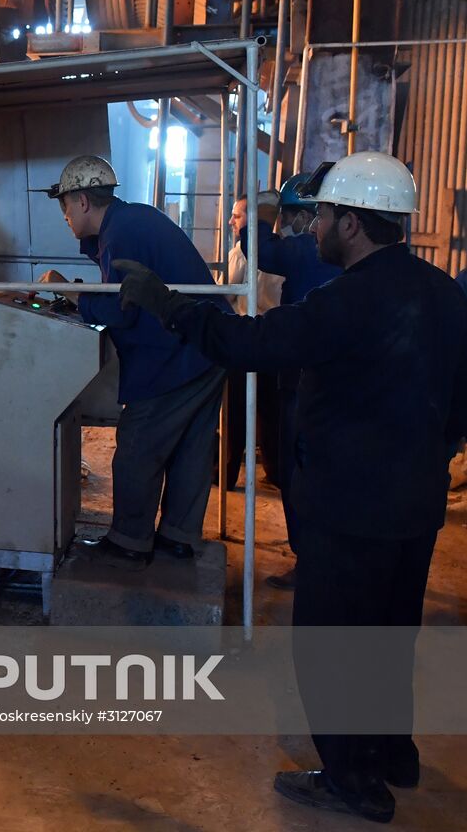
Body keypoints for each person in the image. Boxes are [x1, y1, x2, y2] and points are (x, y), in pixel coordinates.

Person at [113, 151, 467, 823]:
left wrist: (168, 306)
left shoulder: (345, 302)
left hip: (347, 508)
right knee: (391, 636)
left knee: (333, 646)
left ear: (355, 224)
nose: (313, 229)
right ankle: (394, 753)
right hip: (415, 508)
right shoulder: (444, 292)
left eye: (324, 216)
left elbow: (250, 345)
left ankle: (351, 782)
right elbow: (461, 405)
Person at [38, 154, 227, 565]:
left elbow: (120, 309)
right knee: (191, 447)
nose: (65, 216)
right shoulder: (129, 222)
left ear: (83, 202)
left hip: (178, 354)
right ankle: (179, 536)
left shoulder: (122, 232)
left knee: (139, 445)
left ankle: (130, 541)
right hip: (207, 346)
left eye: (66, 206)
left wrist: (64, 289)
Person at [241, 173, 344, 590]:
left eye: (291, 216)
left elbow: (259, 249)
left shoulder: (306, 250)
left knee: (296, 468)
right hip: (342, 380)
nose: (289, 225)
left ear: (308, 215)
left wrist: (262, 213)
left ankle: (310, 561)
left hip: (301, 378)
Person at [222, 193, 284, 491]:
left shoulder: (240, 252)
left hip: (247, 336)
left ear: (254, 219)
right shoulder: (286, 250)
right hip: (278, 339)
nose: (232, 221)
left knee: (236, 412)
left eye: (237, 215)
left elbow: (231, 294)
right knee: (272, 410)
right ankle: (276, 470)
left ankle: (227, 472)